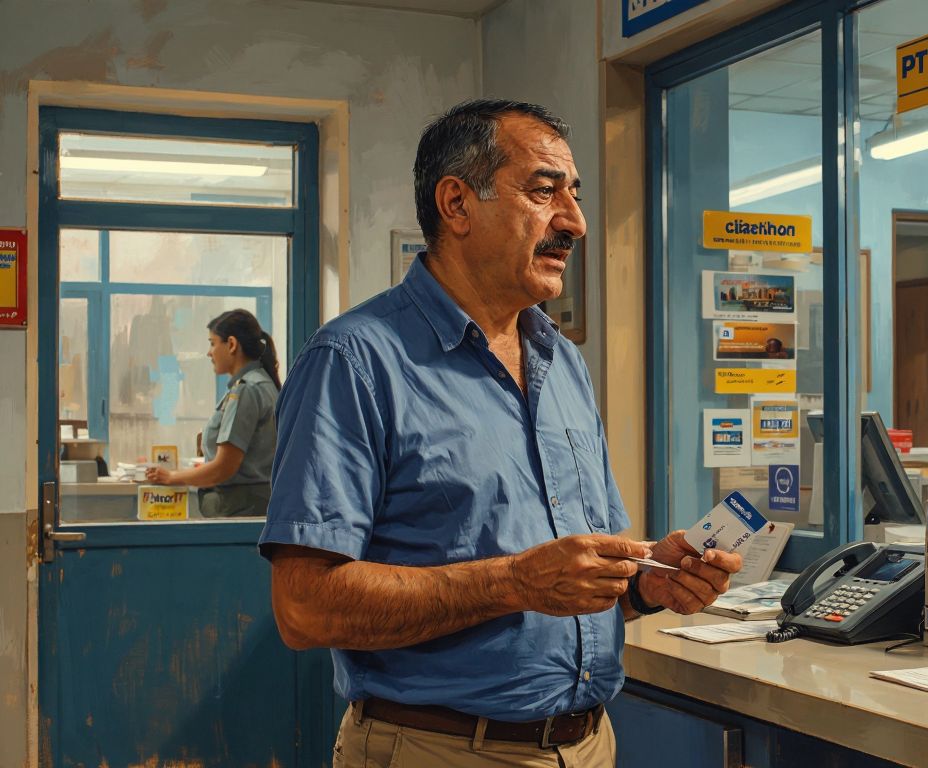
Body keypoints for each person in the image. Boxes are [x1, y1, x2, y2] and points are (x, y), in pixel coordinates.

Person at [258, 99, 742, 768]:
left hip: (590, 746)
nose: (574, 221)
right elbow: (303, 608)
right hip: (439, 750)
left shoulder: (563, 362)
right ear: (456, 203)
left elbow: (568, 586)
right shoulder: (355, 362)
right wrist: (511, 582)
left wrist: (645, 584)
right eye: (545, 191)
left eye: (573, 194)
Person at [145, 308, 280, 518]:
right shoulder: (262, 383)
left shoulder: (246, 390)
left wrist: (172, 477)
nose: (209, 353)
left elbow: (223, 468)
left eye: (213, 343)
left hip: (240, 509)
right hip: (255, 506)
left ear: (232, 344)